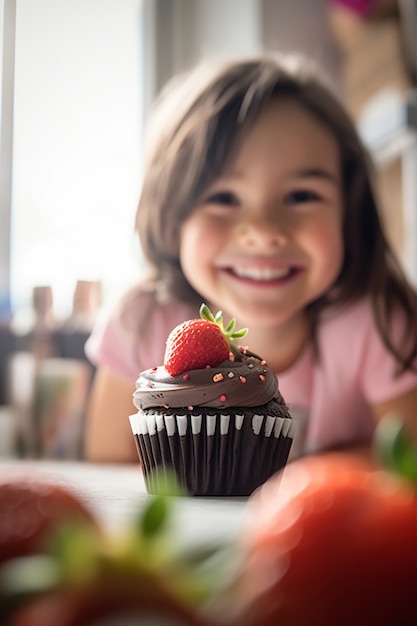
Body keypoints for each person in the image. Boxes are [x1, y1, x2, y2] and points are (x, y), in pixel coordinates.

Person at [84, 53, 417, 464]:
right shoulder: (141, 321)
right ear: (172, 217)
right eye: (223, 198)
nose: (263, 232)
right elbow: (109, 472)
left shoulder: (380, 320)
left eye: (301, 196)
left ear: (350, 213)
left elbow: (409, 461)